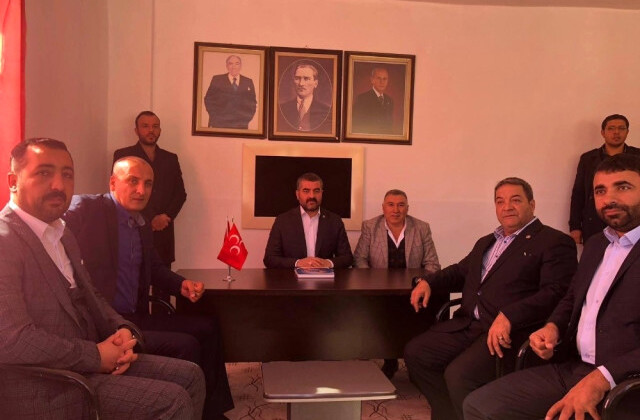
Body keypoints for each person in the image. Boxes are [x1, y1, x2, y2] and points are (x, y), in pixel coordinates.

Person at [0, 138, 205, 419]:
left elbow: (92, 296)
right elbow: (11, 340)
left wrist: (124, 329)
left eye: (67, 174)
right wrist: (95, 356)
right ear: (13, 181)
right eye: (44, 172)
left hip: (88, 359)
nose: (59, 185)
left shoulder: (61, 234)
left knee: (192, 376)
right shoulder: (5, 240)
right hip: (46, 384)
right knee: (173, 401)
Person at [465, 154, 640, 420]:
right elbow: (572, 297)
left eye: (623, 187)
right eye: (600, 191)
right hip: (575, 367)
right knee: (478, 406)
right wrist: (553, 327)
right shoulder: (597, 244)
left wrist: (603, 378)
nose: (610, 199)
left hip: (626, 384)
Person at [64, 156, 233, 420]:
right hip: (107, 325)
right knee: (186, 345)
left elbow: (154, 268)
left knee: (208, 327)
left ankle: (211, 411)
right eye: (133, 181)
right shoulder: (88, 208)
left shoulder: (141, 223)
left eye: (148, 184)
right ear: (113, 183)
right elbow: (57, 222)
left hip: (137, 317)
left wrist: (181, 284)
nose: (141, 190)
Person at [403, 177, 577, 420]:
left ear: (532, 204)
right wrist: (428, 282)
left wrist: (510, 315)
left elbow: (557, 292)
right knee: (416, 353)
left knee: (459, 375)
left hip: (510, 333)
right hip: (469, 325)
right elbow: (460, 271)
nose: (507, 207)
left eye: (515, 200)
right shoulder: (487, 241)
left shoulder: (554, 241)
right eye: (500, 201)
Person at [354, 189, 441, 378]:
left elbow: (433, 263)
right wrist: (371, 281)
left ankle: (414, 361)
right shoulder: (370, 227)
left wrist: (423, 283)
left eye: (401, 205)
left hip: (411, 290)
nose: (396, 210)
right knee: (382, 318)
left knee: (419, 320)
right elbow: (359, 259)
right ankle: (390, 360)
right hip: (379, 290)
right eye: (391, 205)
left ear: (407, 208)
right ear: (383, 208)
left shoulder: (421, 228)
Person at [113, 111, 187, 268]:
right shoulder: (123, 155)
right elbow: (120, 193)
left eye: (155, 126)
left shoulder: (170, 159)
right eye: (145, 126)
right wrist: (151, 219)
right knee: (134, 279)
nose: (151, 130)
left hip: (163, 233)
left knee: (164, 279)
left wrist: (166, 217)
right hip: (133, 228)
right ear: (136, 130)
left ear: (160, 130)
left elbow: (180, 194)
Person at [570, 114, 640, 245]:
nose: (616, 132)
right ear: (603, 132)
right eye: (611, 128)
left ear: (627, 132)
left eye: (621, 128)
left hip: (632, 223)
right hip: (594, 223)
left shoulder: (637, 156)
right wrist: (575, 227)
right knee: (595, 255)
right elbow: (578, 194)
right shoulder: (588, 159)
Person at [263, 172, 353, 269]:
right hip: (292, 278)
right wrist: (297, 263)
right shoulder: (282, 221)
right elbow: (269, 259)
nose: (312, 196)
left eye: (316, 191)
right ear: (297, 194)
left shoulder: (334, 221)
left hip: (325, 278)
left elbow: (347, 258)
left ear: (322, 193)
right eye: (306, 191)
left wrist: (328, 263)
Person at [204, 54, 257, 129]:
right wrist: (215, 117)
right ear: (227, 66)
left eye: (237, 63)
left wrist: (245, 120)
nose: (234, 67)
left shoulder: (248, 81)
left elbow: (252, 103)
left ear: (241, 66)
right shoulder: (217, 79)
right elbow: (208, 100)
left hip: (240, 126)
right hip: (219, 124)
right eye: (230, 63)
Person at [278, 63, 332, 133]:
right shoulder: (281, 109)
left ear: (315, 83)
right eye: (297, 78)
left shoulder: (327, 111)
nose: (301, 83)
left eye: (306, 79)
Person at [352, 67, 395, 134]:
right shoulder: (362, 99)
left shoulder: (389, 100)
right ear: (372, 80)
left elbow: (390, 125)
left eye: (384, 79)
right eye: (378, 78)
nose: (382, 82)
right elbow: (357, 124)